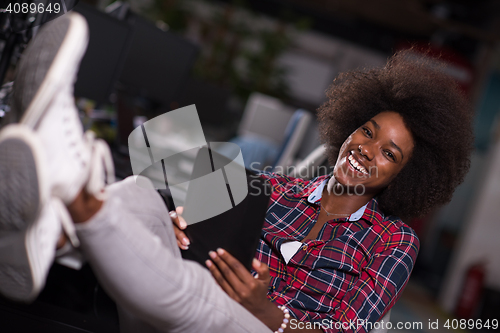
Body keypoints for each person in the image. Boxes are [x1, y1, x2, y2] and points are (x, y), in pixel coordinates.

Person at [0, 12, 473, 333]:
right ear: (350, 127)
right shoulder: (276, 188)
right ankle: (59, 228)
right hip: (177, 291)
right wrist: (173, 223)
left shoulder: (394, 243)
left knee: (199, 292)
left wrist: (268, 311)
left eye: (390, 154)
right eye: (367, 132)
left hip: (257, 325)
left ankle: (70, 193)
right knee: (146, 193)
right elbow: (170, 191)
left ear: (405, 177)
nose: (368, 150)